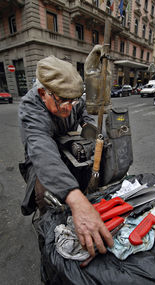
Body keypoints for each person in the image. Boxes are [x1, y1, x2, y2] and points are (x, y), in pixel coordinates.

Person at [18, 55, 113, 257]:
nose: (69, 108)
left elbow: (82, 112)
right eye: (62, 101)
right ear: (44, 93)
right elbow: (42, 149)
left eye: (73, 100)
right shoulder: (30, 107)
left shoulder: (68, 96)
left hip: (68, 148)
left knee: (83, 178)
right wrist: (77, 201)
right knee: (45, 196)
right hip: (43, 156)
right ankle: (49, 234)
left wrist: (88, 124)